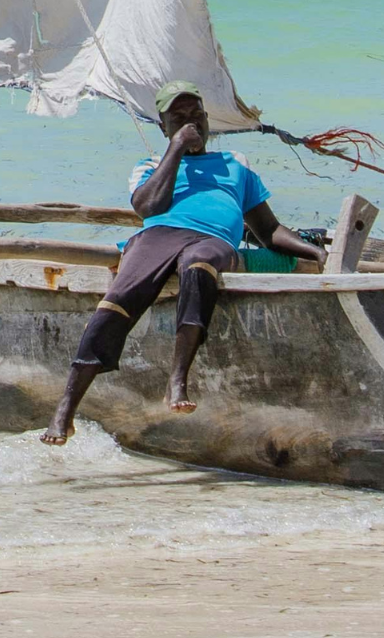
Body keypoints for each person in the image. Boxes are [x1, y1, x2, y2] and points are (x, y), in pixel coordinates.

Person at [41, 85, 321, 443]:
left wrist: (312, 252)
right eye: (180, 118)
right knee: (118, 300)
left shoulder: (235, 165)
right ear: (163, 127)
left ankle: (177, 380)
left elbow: (269, 230)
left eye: (197, 116)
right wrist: (176, 150)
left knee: (199, 263)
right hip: (158, 237)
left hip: (212, 242)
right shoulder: (148, 167)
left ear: (208, 120)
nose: (192, 123)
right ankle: (65, 410)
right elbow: (147, 208)